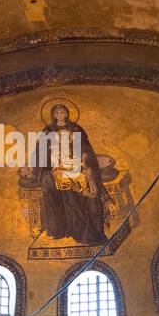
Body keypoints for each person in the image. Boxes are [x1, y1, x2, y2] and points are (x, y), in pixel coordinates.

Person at [34, 103, 107, 245]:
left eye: (63, 112)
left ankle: (88, 230)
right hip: (57, 167)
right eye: (57, 112)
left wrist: (86, 164)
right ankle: (62, 227)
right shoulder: (47, 131)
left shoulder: (76, 129)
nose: (60, 115)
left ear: (67, 113)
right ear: (54, 115)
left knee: (87, 189)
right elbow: (42, 152)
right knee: (51, 182)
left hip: (75, 165)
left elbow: (85, 149)